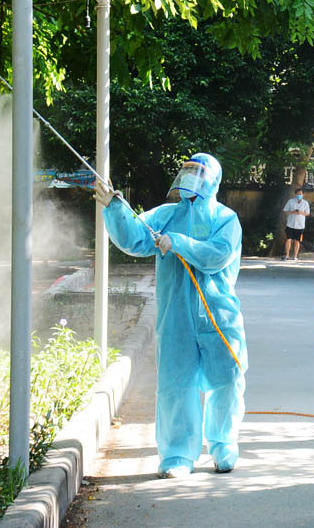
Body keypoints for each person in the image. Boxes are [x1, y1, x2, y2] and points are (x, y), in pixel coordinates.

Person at [94, 153, 247, 479]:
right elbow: (135, 237)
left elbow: (217, 255)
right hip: (176, 317)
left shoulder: (226, 219)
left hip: (218, 315)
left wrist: (177, 242)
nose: (192, 177)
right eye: (188, 170)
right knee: (177, 385)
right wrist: (115, 207)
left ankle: (223, 443)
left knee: (227, 380)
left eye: (199, 172)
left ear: (213, 180)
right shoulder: (165, 215)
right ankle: (177, 454)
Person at [282, 188, 310, 261]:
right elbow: (285, 211)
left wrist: (300, 212)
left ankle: (295, 256)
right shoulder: (290, 202)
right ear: (295, 194)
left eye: (300, 194)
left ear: (303, 194)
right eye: (298, 194)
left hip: (300, 225)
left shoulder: (305, 203)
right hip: (290, 224)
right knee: (288, 240)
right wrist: (292, 212)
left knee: (297, 241)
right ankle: (287, 255)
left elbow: (307, 213)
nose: (299, 195)